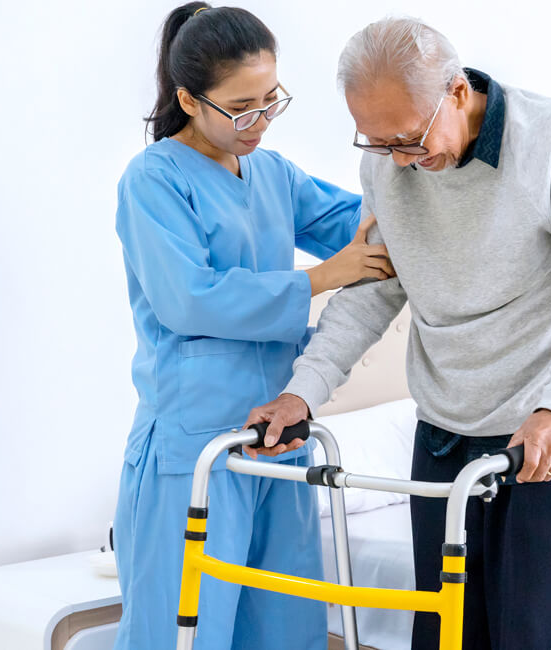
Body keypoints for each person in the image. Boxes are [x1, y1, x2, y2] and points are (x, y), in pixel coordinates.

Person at [246, 17, 551, 650]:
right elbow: (374, 290)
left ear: (458, 92)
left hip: (545, 438)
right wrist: (304, 392)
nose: (401, 161)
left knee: (538, 638)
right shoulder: (385, 166)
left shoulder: (549, 137)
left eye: (408, 138)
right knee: (446, 636)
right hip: (444, 434)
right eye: (379, 144)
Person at [111, 4, 394, 649]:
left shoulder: (272, 172)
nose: (258, 122)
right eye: (241, 107)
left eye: (271, 101)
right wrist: (324, 277)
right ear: (188, 98)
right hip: (193, 448)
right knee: (181, 634)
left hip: (276, 442)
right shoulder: (153, 180)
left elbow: (365, 226)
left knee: (285, 631)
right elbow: (189, 299)